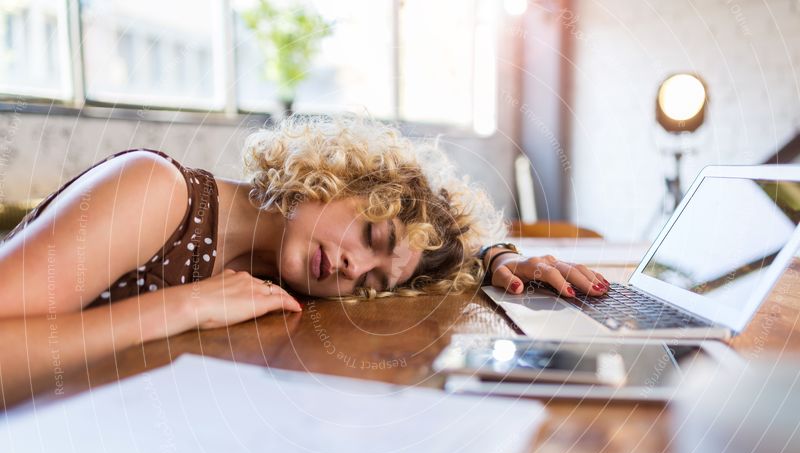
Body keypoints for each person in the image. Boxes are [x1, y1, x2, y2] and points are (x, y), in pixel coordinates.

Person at [0, 115, 608, 406]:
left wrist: (494, 255)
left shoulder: (267, 267)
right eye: (370, 232)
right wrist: (183, 306)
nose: (352, 269)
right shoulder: (157, 191)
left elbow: (428, 257)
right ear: (332, 178)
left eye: (372, 280)